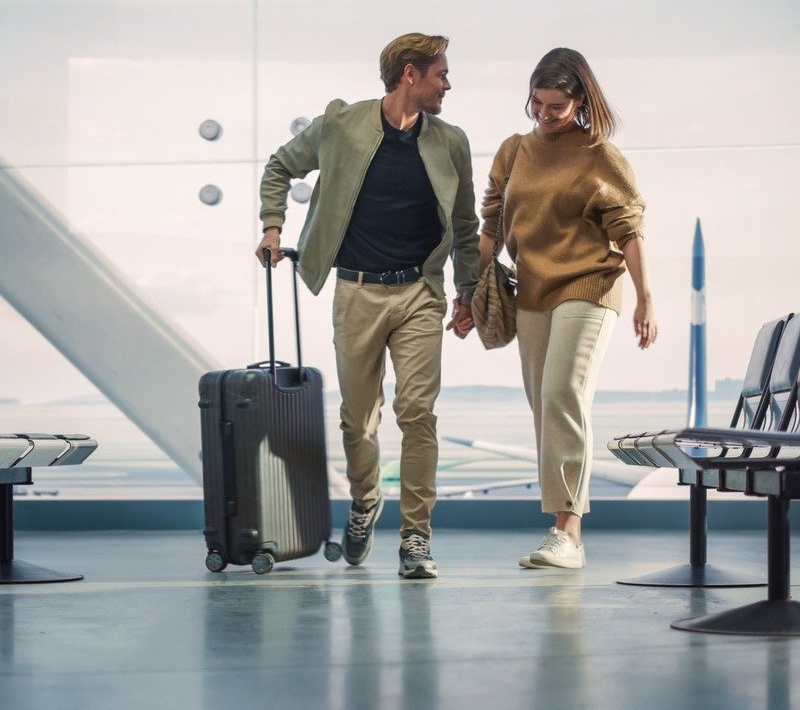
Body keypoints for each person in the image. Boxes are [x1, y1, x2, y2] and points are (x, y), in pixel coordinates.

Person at [256, 32, 479, 579]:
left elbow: (467, 227)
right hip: (356, 291)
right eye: (440, 74)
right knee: (359, 421)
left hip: (419, 294)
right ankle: (364, 503)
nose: (447, 84)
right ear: (410, 74)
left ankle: (416, 539)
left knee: (418, 414)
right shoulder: (341, 125)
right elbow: (280, 166)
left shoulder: (450, 141)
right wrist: (271, 225)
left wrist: (467, 292)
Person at [479, 48, 657, 570]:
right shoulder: (514, 151)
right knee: (544, 404)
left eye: (556, 106)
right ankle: (562, 527)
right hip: (532, 290)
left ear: (580, 100)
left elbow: (629, 231)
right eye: (537, 102)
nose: (544, 114)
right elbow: (490, 225)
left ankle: (568, 534)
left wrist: (647, 297)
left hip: (590, 285)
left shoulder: (601, 156)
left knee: (563, 392)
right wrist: (469, 294)